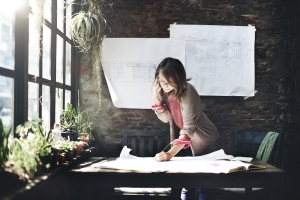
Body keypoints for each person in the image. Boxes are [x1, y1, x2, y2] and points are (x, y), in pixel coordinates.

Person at [151, 57, 219, 200]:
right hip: (183, 141)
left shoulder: (187, 91)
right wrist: (156, 99)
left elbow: (188, 128)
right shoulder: (163, 92)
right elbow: (166, 119)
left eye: (170, 83)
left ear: (179, 79)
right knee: (187, 183)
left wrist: (169, 154)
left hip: (203, 139)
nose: (166, 86)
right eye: (162, 82)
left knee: (203, 184)